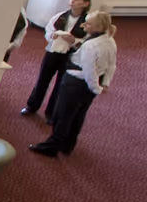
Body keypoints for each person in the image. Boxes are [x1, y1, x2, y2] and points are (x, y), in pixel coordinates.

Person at [29, 9, 116, 158]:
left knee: (62, 115)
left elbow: (89, 70)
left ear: (98, 27)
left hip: (77, 82)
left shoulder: (91, 46)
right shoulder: (110, 41)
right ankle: (68, 144)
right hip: (89, 84)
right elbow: (111, 64)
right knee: (78, 115)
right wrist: (105, 82)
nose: (84, 26)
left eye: (88, 23)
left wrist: (95, 88)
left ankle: (52, 146)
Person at [21, 0, 91, 117]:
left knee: (60, 84)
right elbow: (48, 31)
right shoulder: (60, 16)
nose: (72, 2)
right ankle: (32, 105)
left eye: (76, 0)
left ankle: (51, 112)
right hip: (53, 52)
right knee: (43, 79)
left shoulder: (87, 22)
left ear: (85, 4)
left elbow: (88, 40)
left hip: (70, 55)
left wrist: (74, 41)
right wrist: (52, 35)